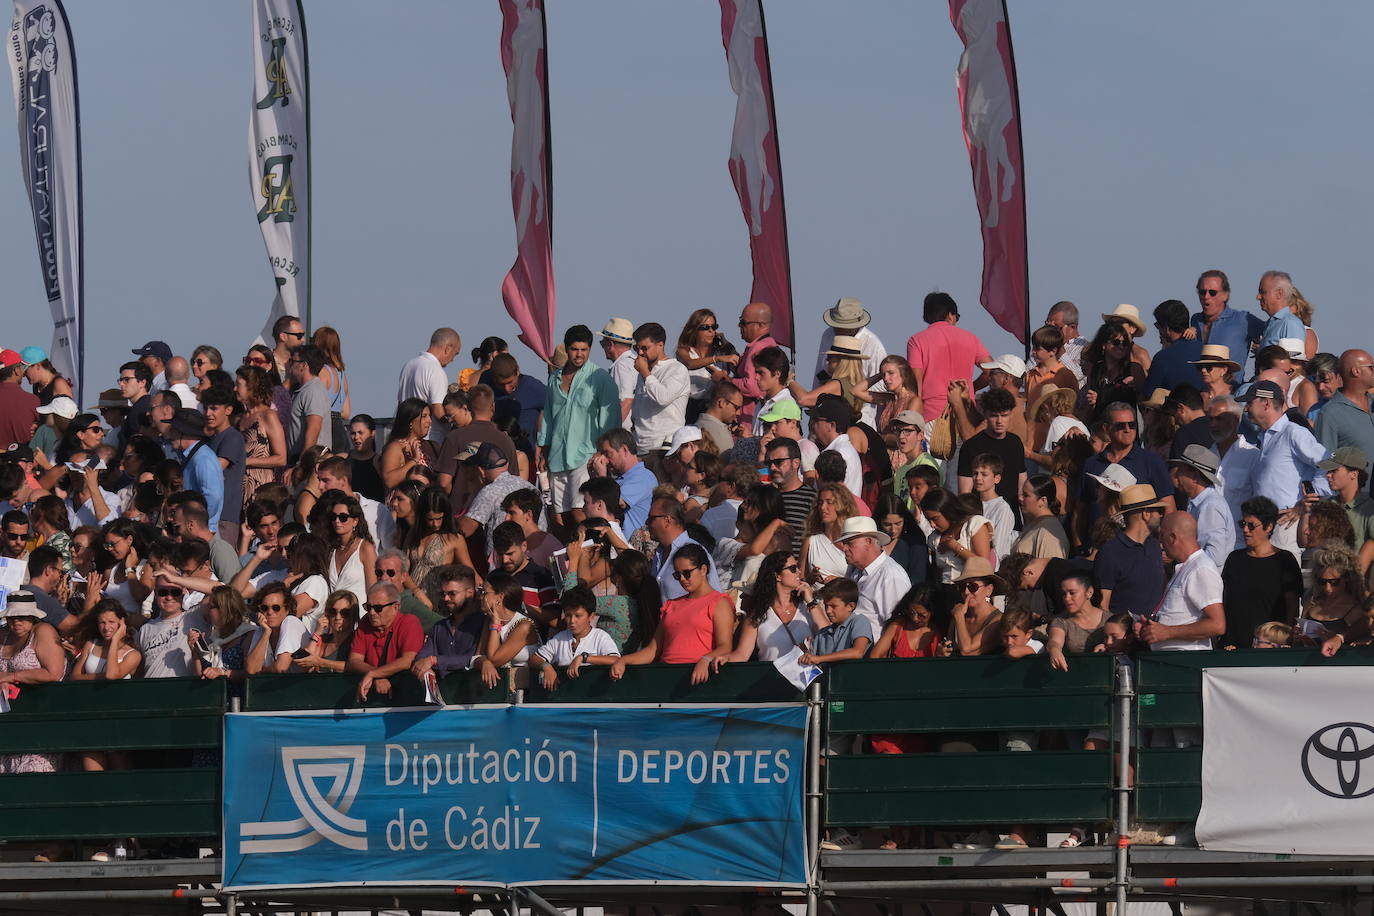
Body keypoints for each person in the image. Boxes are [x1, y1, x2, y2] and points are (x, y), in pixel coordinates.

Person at [611, 544, 734, 685]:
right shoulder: (671, 605)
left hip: (698, 679)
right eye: (677, 574)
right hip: (665, 677)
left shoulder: (719, 602)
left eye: (686, 573)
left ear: (703, 569)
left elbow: (725, 646)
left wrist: (705, 659)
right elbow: (653, 650)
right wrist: (624, 660)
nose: (682, 579)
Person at [539, 324, 620, 532]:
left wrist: (602, 453)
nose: (579, 354)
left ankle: (591, 553)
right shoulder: (553, 379)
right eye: (575, 349)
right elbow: (548, 416)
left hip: (586, 455)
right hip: (557, 455)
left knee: (581, 512)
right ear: (567, 349)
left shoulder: (601, 378)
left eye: (584, 350)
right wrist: (543, 448)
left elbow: (610, 420)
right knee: (562, 516)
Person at [1239, 379, 1328, 558]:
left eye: (1250, 402)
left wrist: (1303, 505)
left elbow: (1328, 467)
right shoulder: (1265, 437)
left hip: (1286, 527)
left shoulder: (1294, 433)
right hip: (1267, 528)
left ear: (1266, 403)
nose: (1246, 408)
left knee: (1286, 582)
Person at [1079, 402, 1173, 540]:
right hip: (1097, 547)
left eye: (1132, 425)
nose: (1128, 429)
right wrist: (1079, 545)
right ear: (1106, 428)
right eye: (1120, 426)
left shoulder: (1151, 462)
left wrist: (1164, 545)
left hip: (1139, 548)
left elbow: (1169, 507)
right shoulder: (1092, 464)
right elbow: (1080, 510)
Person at [1220, 496, 1302, 649]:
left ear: (1269, 527)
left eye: (1251, 525)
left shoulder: (1284, 560)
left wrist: (1286, 639)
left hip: (1269, 648)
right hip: (1232, 646)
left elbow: (1292, 606)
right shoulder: (1234, 559)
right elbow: (1224, 601)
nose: (1245, 530)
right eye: (1242, 524)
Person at [0, 597, 65, 774]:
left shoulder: (43, 631)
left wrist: (11, 676)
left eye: (22, 617)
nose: (17, 621)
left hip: (40, 719)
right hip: (8, 723)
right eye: (12, 617)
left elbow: (54, 672)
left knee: (33, 772)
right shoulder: (3, 634)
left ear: (32, 616)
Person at [905, 292, 990, 422]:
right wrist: (973, 387)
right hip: (966, 412)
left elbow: (915, 382)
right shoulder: (971, 338)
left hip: (932, 414)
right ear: (950, 315)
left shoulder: (916, 340)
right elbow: (991, 371)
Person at [723, 551, 818, 664]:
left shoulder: (809, 606)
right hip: (771, 678)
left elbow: (828, 635)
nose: (799, 571)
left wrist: (811, 601)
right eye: (793, 568)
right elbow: (742, 654)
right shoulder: (757, 613)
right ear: (777, 575)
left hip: (806, 678)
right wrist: (724, 659)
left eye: (797, 567)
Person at [956, 387, 1027, 527]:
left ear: (1011, 414)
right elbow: (965, 493)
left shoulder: (1015, 442)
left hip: (1012, 519)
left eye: (1004, 415)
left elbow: (1022, 482)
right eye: (994, 415)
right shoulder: (971, 447)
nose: (1000, 421)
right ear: (985, 414)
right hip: (982, 519)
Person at [1095, 484, 1168, 616]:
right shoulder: (1110, 552)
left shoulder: (1155, 545)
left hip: (1155, 631)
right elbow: (1102, 604)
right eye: (1159, 510)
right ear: (1145, 514)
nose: (1161, 515)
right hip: (1123, 634)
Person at [528, 586, 621, 689]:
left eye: (578, 615)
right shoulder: (559, 639)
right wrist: (546, 666)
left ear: (591, 616)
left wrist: (584, 658)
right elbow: (534, 659)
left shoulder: (600, 637)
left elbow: (615, 659)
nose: (572, 621)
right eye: (568, 615)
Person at [349, 581, 424, 700]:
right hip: (371, 697)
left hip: (406, 696)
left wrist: (373, 674)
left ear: (395, 607)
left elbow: (407, 661)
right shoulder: (365, 622)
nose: (372, 613)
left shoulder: (409, 622)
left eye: (378, 608)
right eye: (368, 607)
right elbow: (353, 661)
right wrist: (377, 675)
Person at [835, 515, 911, 634]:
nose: (844, 548)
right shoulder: (855, 570)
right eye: (844, 543)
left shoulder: (891, 576)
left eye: (849, 543)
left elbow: (898, 626)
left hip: (872, 651)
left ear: (868, 542)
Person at [459, 443, 536, 559]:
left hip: (504, 564)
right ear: (507, 465)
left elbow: (465, 529)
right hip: (535, 561)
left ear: (481, 471)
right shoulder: (531, 487)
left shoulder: (489, 492)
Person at [629, 322, 690, 466]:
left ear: (660, 345)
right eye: (637, 348)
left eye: (645, 348)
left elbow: (662, 398)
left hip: (663, 448)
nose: (640, 353)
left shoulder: (677, 369)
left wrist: (645, 373)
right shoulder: (643, 373)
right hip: (640, 448)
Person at [411, 565, 486, 678]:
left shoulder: (483, 623)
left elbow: (471, 659)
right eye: (443, 594)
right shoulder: (439, 627)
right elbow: (422, 656)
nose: (446, 598)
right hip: (442, 693)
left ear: (470, 593)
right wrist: (426, 670)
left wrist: (435, 660)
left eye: (452, 594)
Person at [1314, 349, 1374, 485]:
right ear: (1356, 371)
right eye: (1371, 367)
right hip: (1356, 502)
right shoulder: (1330, 413)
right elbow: (1324, 465)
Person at [1169, 444, 1234, 567]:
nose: (1177, 475)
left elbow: (1215, 557)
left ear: (1194, 476)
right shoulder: (1199, 502)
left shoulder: (1210, 506)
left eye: (1181, 471)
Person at [1190, 269, 1262, 377]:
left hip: (1231, 390)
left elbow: (1272, 331)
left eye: (1212, 292)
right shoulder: (1195, 320)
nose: (1206, 296)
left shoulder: (1242, 320)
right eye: (1202, 292)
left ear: (1225, 295)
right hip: (1200, 389)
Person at [234, 365, 288, 507]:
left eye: (238, 385)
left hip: (260, 488)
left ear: (251, 387)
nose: (235, 389)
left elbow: (281, 458)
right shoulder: (239, 418)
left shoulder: (268, 416)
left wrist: (248, 461)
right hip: (237, 487)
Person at [648, 497, 722, 600]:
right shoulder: (659, 552)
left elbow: (715, 598)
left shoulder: (695, 552)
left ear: (667, 521)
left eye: (651, 518)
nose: (647, 523)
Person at [491, 522, 561, 630]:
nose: (505, 560)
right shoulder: (493, 577)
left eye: (510, 554)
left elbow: (555, 621)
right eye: (500, 554)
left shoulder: (541, 576)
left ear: (524, 546)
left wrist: (520, 606)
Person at [397, 327, 460, 443]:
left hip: (407, 438)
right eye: (455, 354)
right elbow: (438, 411)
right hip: (430, 439)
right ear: (447, 349)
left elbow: (401, 404)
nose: (453, 360)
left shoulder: (409, 366)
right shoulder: (436, 371)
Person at [590, 428, 656, 537]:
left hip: (632, 547)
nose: (604, 460)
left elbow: (616, 502)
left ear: (624, 450)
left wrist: (601, 478)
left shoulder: (642, 476)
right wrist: (594, 479)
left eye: (607, 454)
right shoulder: (619, 480)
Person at [201, 386, 246, 547]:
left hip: (224, 517)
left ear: (228, 410)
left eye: (214, 408)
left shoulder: (232, 437)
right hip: (209, 516)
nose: (208, 413)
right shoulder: (213, 439)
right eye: (206, 408)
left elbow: (212, 471)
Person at [136, 580, 208, 678]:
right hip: (151, 690)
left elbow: (219, 590)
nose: (169, 597)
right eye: (163, 592)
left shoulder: (195, 615)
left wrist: (174, 579)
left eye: (175, 592)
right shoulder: (145, 629)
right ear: (155, 594)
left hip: (184, 689)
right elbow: (139, 671)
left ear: (183, 594)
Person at [799, 576, 874, 666]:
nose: (828, 611)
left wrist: (820, 659)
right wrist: (807, 656)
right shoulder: (822, 634)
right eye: (826, 606)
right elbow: (812, 658)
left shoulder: (860, 621)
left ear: (851, 606)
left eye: (833, 606)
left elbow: (857, 652)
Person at [322, 492, 377, 610]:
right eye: (334, 517)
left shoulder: (365, 548)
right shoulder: (332, 550)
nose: (337, 521)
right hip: (336, 617)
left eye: (343, 517)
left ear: (355, 521)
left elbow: (373, 589)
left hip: (359, 615)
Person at [1077, 323, 1145, 420]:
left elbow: (1143, 399)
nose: (1121, 346)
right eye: (1116, 342)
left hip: (1126, 427)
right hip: (1100, 427)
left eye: (1125, 343)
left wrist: (1100, 397)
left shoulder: (1134, 369)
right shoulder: (1094, 369)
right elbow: (1088, 401)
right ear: (1104, 345)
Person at [765, 436, 818, 556]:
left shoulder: (812, 499)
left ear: (796, 463)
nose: (772, 467)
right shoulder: (764, 497)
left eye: (778, 462)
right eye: (769, 463)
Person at [244, 581, 312, 674]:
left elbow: (281, 668)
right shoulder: (261, 630)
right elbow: (251, 670)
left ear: (287, 610)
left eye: (276, 608)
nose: (270, 612)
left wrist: (261, 671)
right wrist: (266, 633)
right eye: (264, 608)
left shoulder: (291, 622)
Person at [1046, 572, 1108, 671]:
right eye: (1063, 594)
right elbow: (1054, 641)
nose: (1067, 598)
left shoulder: (1108, 619)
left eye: (1072, 593)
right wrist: (1054, 650)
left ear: (1089, 592)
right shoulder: (1061, 621)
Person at [731, 302, 779, 430]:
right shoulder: (767, 345)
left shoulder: (759, 348)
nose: (739, 326)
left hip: (749, 423)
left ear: (761, 325)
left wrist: (726, 380)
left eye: (743, 323)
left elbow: (752, 386)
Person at [946, 558, 1005, 656]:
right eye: (962, 587)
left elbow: (966, 650)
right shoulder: (958, 616)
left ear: (989, 590)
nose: (966, 592)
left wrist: (959, 617)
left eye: (973, 587)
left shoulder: (998, 620)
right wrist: (942, 653)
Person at [807, 396, 862, 499]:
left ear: (831, 425)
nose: (813, 425)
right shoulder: (843, 449)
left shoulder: (839, 454)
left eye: (816, 420)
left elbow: (831, 497)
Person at [1143, 299, 1204, 393]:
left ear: (1167, 328)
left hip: (1174, 406)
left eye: (1157, 325)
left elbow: (1148, 394)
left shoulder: (1162, 358)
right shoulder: (1205, 351)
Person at [286, 344, 333, 459]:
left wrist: (301, 465)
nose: (288, 364)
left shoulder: (312, 391)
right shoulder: (304, 390)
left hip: (311, 461)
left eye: (292, 361)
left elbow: (314, 429)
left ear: (303, 365)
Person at [295, 591, 359, 673]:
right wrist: (317, 633)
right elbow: (305, 666)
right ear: (327, 614)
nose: (337, 617)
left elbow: (355, 666)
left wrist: (321, 662)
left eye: (345, 613)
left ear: (353, 615)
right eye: (333, 612)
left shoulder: (358, 639)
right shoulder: (323, 640)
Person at [969, 453, 1015, 562]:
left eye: (984, 474)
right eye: (975, 473)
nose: (978, 478)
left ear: (996, 478)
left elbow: (998, 546)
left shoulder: (1002, 508)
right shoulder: (972, 504)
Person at [1012, 474, 1069, 558]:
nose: (1020, 498)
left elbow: (1050, 567)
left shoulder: (1049, 533)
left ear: (1043, 501)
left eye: (1026, 495)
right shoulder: (1036, 523)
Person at [1025, 324, 1079, 412]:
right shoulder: (1030, 375)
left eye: (1038, 349)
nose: (1033, 352)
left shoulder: (1065, 374)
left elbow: (1074, 403)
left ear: (1053, 351)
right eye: (1033, 348)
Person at [598, 318, 638, 427]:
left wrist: (611, 431)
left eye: (603, 344)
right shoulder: (634, 362)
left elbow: (625, 401)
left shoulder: (621, 365)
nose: (603, 348)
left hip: (622, 433)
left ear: (610, 344)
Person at [1256, 270, 1307, 350]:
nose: (1258, 297)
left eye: (1263, 292)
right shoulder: (1272, 323)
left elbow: (1294, 361)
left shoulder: (1290, 324)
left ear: (1279, 294)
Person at [1046, 301, 1089, 386]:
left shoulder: (1085, 348)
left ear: (1072, 327)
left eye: (1055, 327)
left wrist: (1060, 350)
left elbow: (1078, 378)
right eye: (1047, 326)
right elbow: (1027, 377)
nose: (1050, 331)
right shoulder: (1044, 345)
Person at [115, 360, 154, 448]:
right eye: (120, 380)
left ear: (142, 382)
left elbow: (139, 447)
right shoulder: (146, 404)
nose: (121, 384)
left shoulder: (139, 410)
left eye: (126, 380)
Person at [697, 379, 743, 453]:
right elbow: (728, 463)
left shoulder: (697, 425)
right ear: (721, 403)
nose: (738, 413)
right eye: (736, 408)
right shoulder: (720, 434)